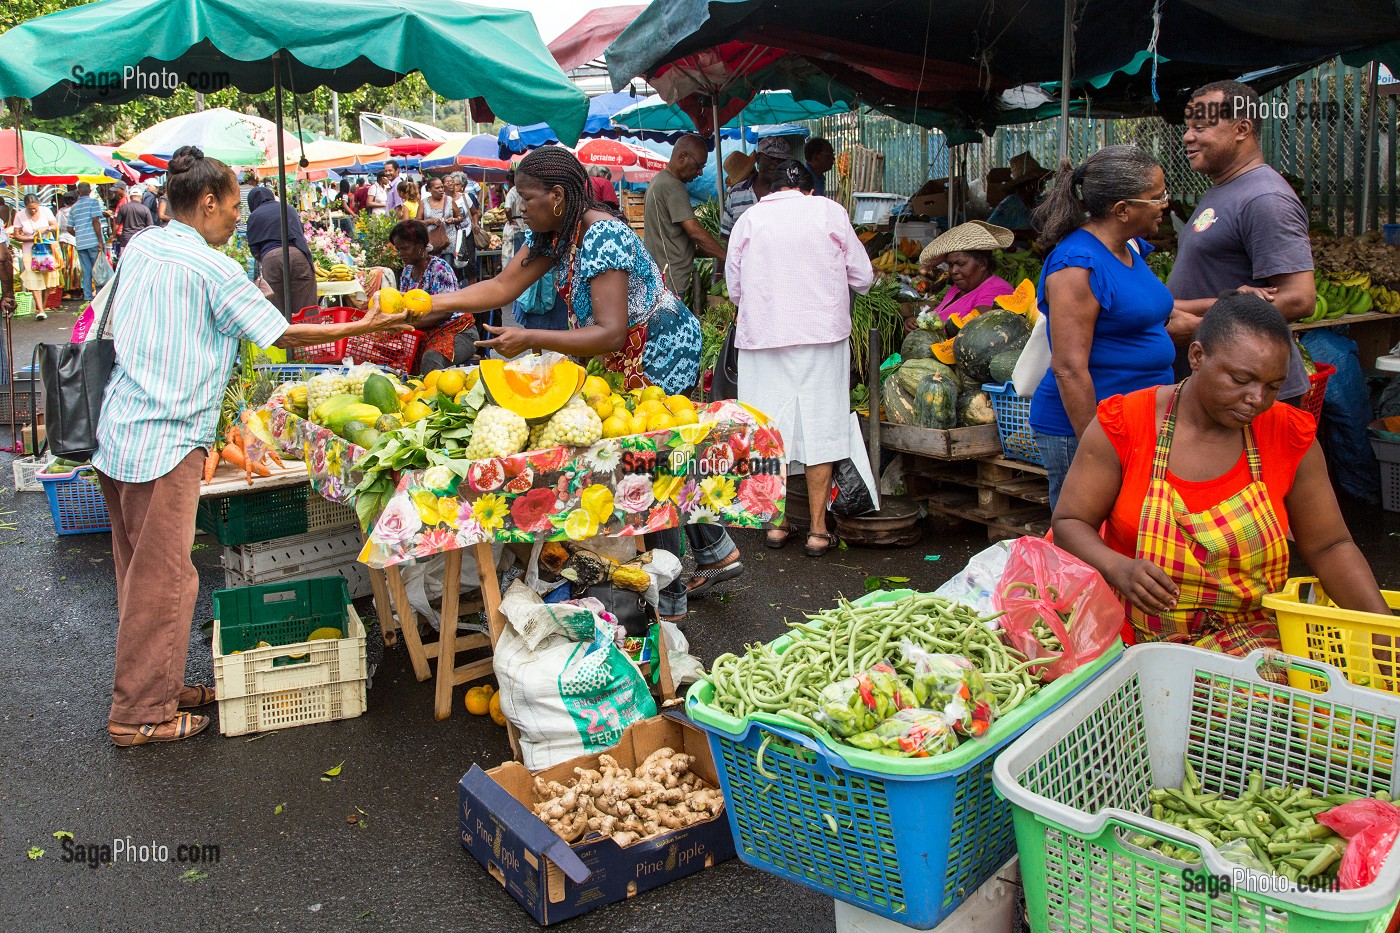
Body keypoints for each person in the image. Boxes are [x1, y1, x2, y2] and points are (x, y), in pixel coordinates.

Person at [92, 145, 409, 746]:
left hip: (122, 431)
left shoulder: (143, 245)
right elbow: (282, 331)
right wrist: (365, 325)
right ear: (206, 202)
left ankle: (156, 687)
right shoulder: (212, 267)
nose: (240, 217)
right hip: (165, 440)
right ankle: (138, 716)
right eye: (234, 206)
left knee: (141, 574)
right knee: (166, 581)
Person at [420, 147, 734, 620]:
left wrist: (528, 338)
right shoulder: (552, 234)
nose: (520, 207)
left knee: (648, 462)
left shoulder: (604, 236)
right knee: (649, 461)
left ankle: (668, 596)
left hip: (659, 351)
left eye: (527, 198)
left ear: (558, 196)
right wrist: (430, 303)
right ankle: (716, 549)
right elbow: (502, 288)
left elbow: (611, 330)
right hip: (618, 355)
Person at [1053, 293, 1391, 662]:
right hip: (1135, 643)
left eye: (1273, 386)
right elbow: (1071, 522)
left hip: (1251, 644)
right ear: (1197, 357)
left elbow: (1330, 547)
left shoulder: (1289, 435)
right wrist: (1117, 566)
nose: (1257, 399)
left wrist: (1384, 635)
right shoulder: (1126, 424)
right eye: (1241, 379)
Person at [727, 159, 874, 556]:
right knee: (821, 426)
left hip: (763, 341)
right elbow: (864, 277)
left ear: (768, 190)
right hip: (821, 338)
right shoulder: (830, 212)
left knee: (769, 430)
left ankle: (775, 526)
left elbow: (734, 288)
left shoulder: (750, 219)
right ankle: (817, 531)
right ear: (811, 190)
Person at [1029, 145, 1176, 508]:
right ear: (1122, 210)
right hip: (1088, 431)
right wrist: (1096, 446)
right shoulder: (1077, 265)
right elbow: (1068, 368)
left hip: (1139, 424)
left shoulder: (1129, 248)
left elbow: (1146, 313)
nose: (1166, 204)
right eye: (1156, 197)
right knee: (1086, 545)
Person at [1167, 80, 1316, 405]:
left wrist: (1201, 328)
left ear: (1242, 128)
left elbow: (1300, 298)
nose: (1188, 136)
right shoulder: (1225, 187)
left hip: (1252, 394)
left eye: (1201, 127)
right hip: (1219, 388)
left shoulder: (1265, 197)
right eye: (1188, 127)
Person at [644, 134, 726, 304]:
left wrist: (705, 250)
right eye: (699, 166)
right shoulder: (674, 187)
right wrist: (727, 256)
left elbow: (670, 236)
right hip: (670, 279)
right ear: (682, 157)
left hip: (658, 275)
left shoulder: (658, 180)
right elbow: (694, 231)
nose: (700, 172)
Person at [388, 219, 467, 372]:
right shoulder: (406, 273)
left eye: (405, 248)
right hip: (423, 333)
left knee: (431, 358)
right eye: (398, 249)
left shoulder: (439, 268)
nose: (400, 253)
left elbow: (445, 312)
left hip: (457, 331)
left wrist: (408, 325)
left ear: (420, 245)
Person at [917, 221, 1016, 327]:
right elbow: (939, 316)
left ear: (982, 263)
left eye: (961, 264)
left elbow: (975, 331)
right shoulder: (957, 288)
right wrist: (920, 321)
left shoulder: (997, 291)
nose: (953, 270)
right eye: (950, 265)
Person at [245, 187, 316, 318]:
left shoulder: (254, 216)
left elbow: (255, 251)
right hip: (298, 256)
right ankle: (309, 335)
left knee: (277, 311)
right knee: (306, 309)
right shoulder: (288, 208)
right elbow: (300, 234)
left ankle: (286, 338)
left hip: (271, 259)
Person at [721, 136, 795, 236]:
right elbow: (726, 235)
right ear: (758, 158)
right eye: (771, 158)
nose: (775, 164)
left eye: (781, 160)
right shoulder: (736, 193)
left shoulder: (791, 194)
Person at [11, 194, 61, 320]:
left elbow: (55, 227)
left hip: (46, 251)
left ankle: (42, 307)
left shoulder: (46, 211)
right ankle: (40, 309)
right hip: (30, 251)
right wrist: (30, 238)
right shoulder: (20, 215)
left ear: (38, 204)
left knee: (47, 280)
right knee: (33, 280)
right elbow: (16, 235)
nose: (32, 210)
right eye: (29, 208)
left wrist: (46, 228)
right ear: (26, 207)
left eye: (34, 208)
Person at [68, 182, 107, 303]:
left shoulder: (73, 207)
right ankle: (100, 295)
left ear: (78, 192)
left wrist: (79, 235)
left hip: (81, 243)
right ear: (89, 191)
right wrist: (100, 240)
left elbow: (69, 228)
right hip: (93, 241)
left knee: (86, 271)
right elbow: (96, 220)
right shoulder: (93, 202)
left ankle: (88, 297)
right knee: (98, 269)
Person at [443, 173, 478, 286]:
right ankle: (457, 288)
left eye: (453, 182)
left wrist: (476, 225)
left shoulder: (464, 197)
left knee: (470, 265)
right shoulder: (443, 200)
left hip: (467, 234)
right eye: (448, 182)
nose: (451, 184)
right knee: (455, 265)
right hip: (452, 237)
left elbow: (474, 213)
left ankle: (472, 290)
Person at [419, 175, 462, 263]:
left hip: (448, 241)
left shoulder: (449, 200)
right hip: (432, 242)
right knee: (432, 267)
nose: (441, 190)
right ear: (430, 190)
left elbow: (460, 217)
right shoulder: (424, 203)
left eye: (442, 187)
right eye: (437, 188)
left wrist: (453, 220)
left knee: (447, 267)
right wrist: (429, 221)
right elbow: (417, 222)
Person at [113, 190, 154, 259]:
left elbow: (116, 224)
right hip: (140, 238)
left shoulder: (124, 208)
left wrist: (114, 236)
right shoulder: (145, 209)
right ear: (140, 198)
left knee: (125, 259)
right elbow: (150, 226)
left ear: (130, 197)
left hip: (126, 238)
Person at [55, 192, 79, 298]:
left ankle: (67, 289)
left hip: (63, 240)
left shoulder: (60, 212)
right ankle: (76, 288)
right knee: (76, 266)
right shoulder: (77, 211)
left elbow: (57, 226)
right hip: (74, 240)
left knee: (65, 266)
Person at [500, 170, 526, 265]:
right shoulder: (524, 190)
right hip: (525, 225)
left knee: (514, 253)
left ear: (509, 181)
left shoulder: (512, 191)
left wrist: (510, 220)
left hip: (515, 226)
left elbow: (507, 209)